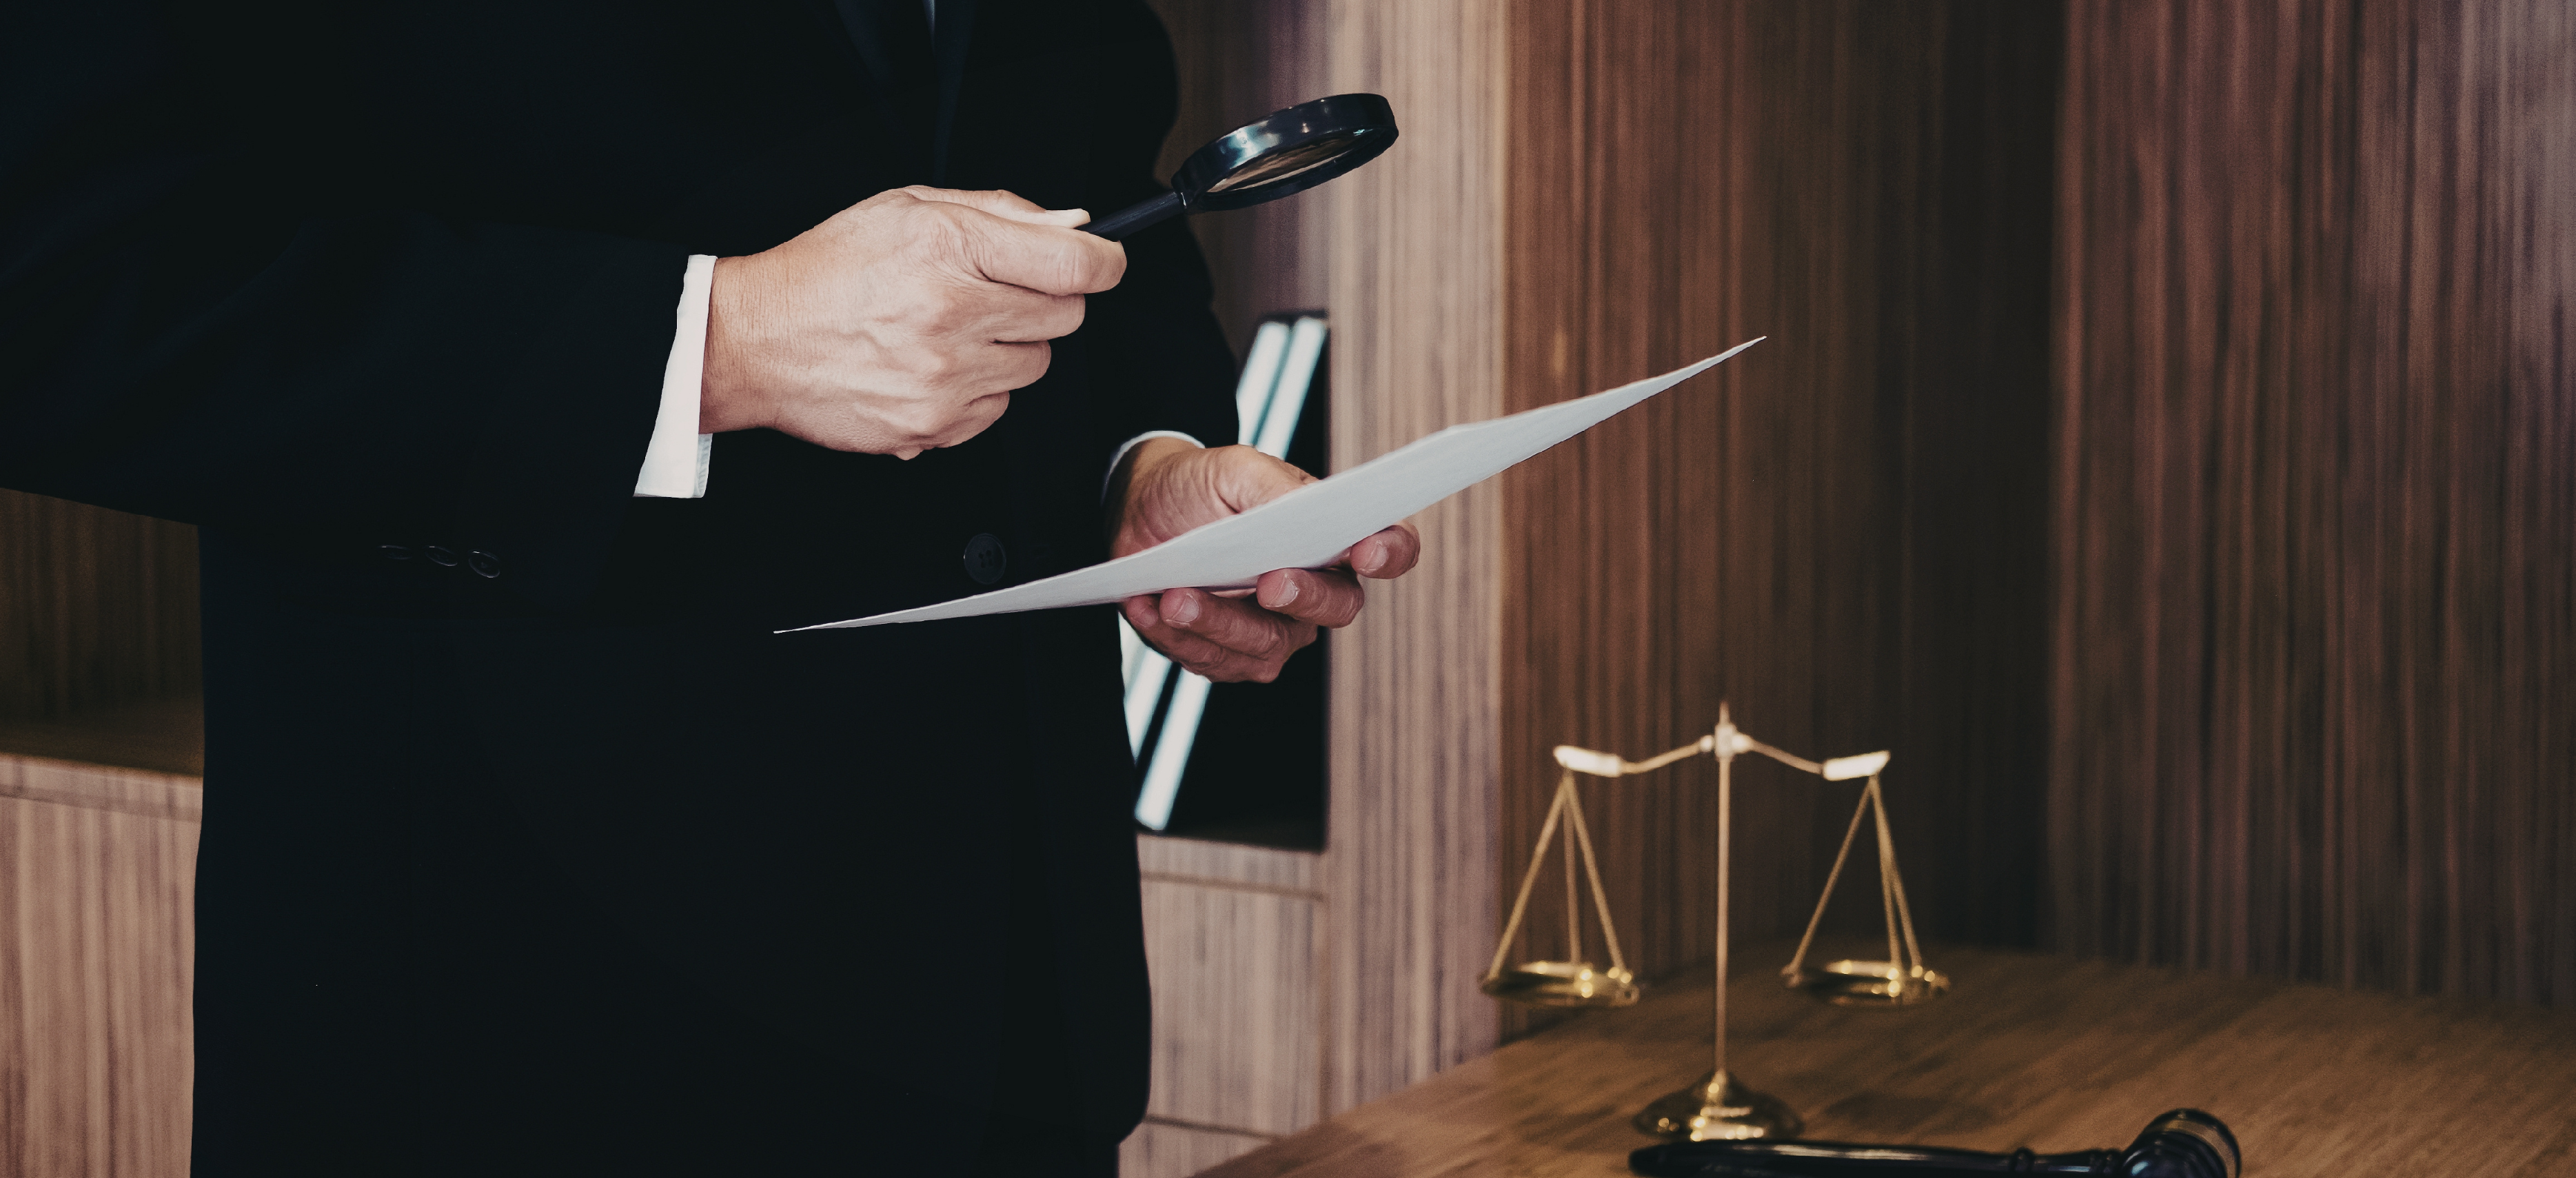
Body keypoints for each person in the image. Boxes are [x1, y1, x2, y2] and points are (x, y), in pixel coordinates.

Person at [0, 1, 1419, 1173]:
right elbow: (59, 285)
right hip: (512, 1014)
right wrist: (706, 341)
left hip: (1002, 1005)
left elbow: (1083, 152)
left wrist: (1136, 464)